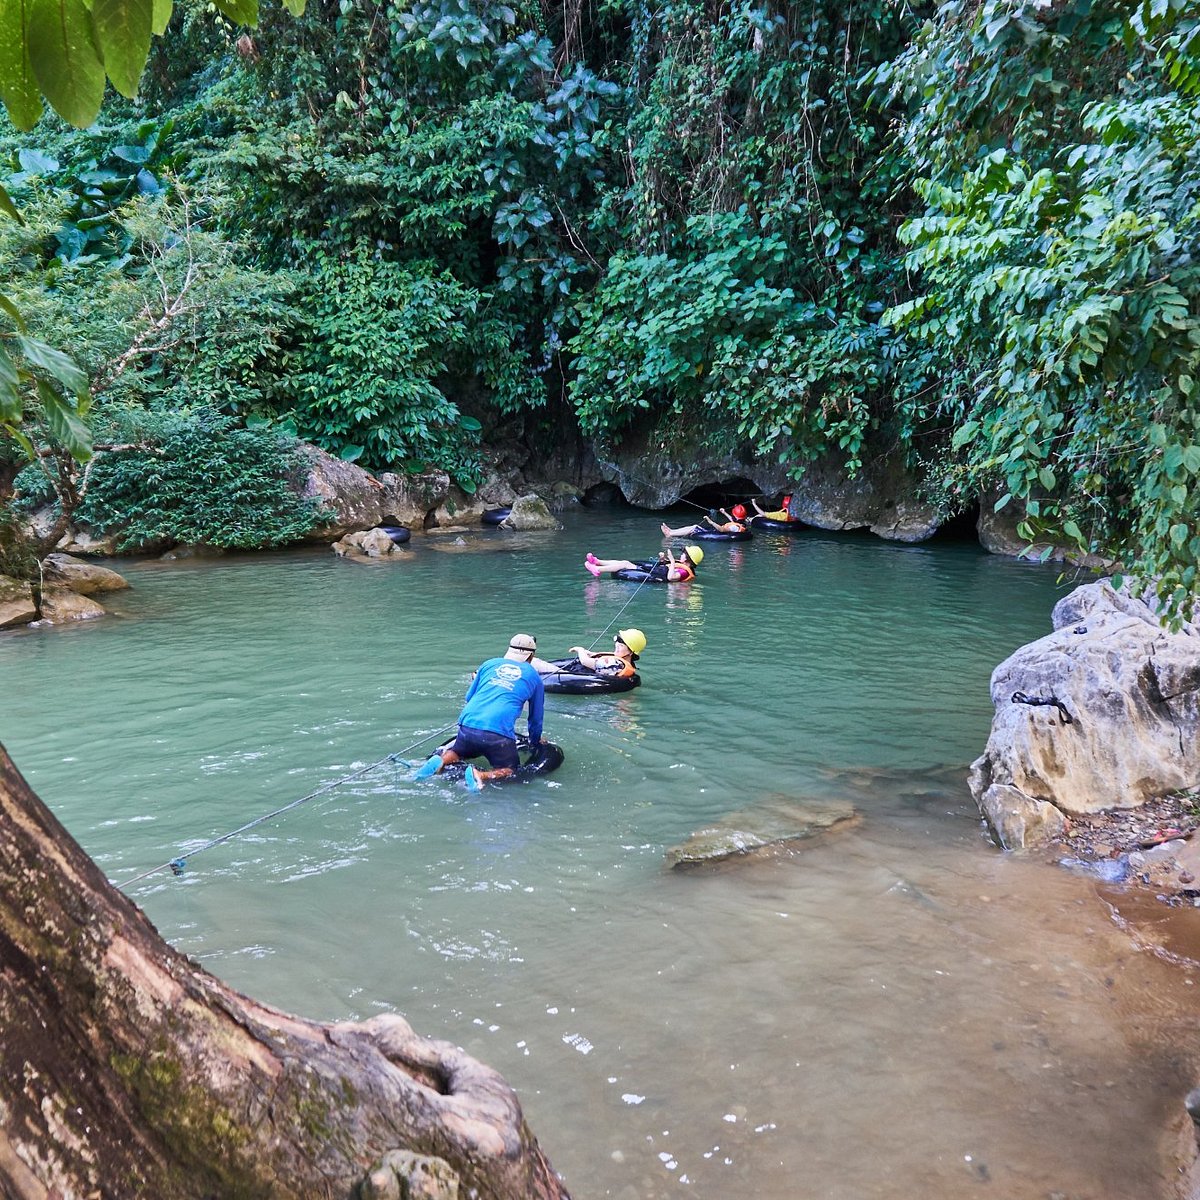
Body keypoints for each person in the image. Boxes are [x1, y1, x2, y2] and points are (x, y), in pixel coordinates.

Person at [414, 633, 545, 792]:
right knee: (512, 771)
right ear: (531, 655)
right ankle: (480, 776)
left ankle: (441, 761)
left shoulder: (489, 664)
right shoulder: (534, 677)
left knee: (458, 751)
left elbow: (469, 697)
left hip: (468, 725)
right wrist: (535, 742)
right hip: (498, 735)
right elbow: (536, 719)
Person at [555, 627, 646, 679]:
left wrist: (580, 649)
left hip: (574, 674)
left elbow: (585, 661)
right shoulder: (623, 661)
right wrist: (589, 653)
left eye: (621, 645)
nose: (616, 646)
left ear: (631, 653)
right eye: (617, 642)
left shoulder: (616, 665)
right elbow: (599, 657)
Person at [584, 545, 702, 581]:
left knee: (625, 564)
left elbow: (671, 577)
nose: (681, 555)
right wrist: (663, 559)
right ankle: (597, 561)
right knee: (624, 562)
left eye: (684, 554)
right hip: (653, 571)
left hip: (655, 576)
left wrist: (671, 561)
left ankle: (597, 570)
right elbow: (664, 566)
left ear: (688, 559)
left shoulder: (684, 572)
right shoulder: (680, 564)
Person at [660, 507, 747, 537]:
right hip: (722, 532)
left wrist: (711, 522)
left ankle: (671, 533)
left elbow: (722, 530)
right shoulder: (741, 524)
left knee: (694, 527)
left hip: (719, 534)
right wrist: (724, 512)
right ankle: (672, 531)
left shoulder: (734, 527)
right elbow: (733, 521)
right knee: (694, 526)